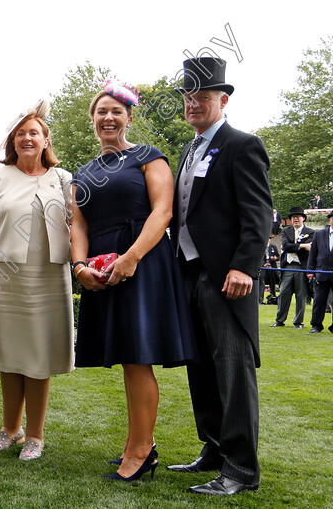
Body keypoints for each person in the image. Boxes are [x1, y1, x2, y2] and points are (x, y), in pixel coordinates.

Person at [70, 81, 197, 482]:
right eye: (101, 112)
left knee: (138, 357)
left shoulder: (148, 156)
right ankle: (139, 444)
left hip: (144, 261)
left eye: (116, 111)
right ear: (92, 119)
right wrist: (79, 267)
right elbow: (77, 224)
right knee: (129, 357)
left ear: (129, 117)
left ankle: (141, 452)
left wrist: (131, 258)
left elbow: (162, 212)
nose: (108, 117)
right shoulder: (83, 172)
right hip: (101, 268)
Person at [169, 57, 272, 496]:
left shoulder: (242, 144)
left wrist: (244, 267)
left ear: (222, 100)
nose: (193, 104)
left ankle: (241, 470)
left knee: (232, 372)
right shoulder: (189, 150)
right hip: (188, 273)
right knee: (201, 370)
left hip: (227, 276)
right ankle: (212, 450)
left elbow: (259, 213)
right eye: (189, 97)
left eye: (203, 97)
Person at [0, 101, 74, 461]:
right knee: (9, 355)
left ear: (46, 140)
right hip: (4, 276)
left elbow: (77, 227)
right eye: (21, 133)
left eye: (34, 133)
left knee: (38, 357)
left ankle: (34, 436)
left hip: (49, 276)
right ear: (12, 142)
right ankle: (9, 429)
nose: (27, 138)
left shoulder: (63, 179)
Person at [271, 207, 314, 328]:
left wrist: (298, 246)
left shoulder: (311, 232)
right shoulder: (286, 231)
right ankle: (280, 320)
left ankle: (298, 322)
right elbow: (286, 246)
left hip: (301, 267)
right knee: (284, 293)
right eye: (293, 217)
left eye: (298, 216)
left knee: (301, 295)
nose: (295, 218)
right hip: (288, 266)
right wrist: (303, 245)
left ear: (303, 218)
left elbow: (310, 248)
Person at [306, 211, 333, 333]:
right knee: (319, 300)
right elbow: (313, 254)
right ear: (330, 219)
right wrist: (310, 271)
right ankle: (316, 325)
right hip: (321, 272)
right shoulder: (319, 234)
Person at [260, 236, 280, 304]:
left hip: (272, 268)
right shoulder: (261, 246)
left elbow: (278, 257)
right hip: (263, 268)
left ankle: (273, 296)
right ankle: (260, 299)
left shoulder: (273, 247)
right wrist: (264, 264)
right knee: (262, 283)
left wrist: (275, 258)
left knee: (272, 282)